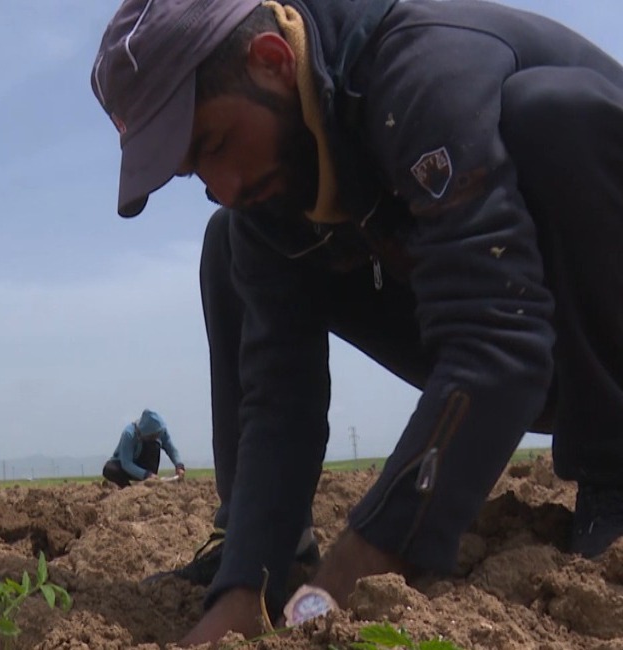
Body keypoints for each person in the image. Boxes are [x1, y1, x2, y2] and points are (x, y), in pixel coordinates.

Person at [90, 0, 623, 644]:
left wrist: (351, 573)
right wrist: (243, 593)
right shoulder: (268, 180)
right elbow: (279, 398)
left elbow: (497, 336)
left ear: (273, 62)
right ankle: (265, 553)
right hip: (524, 340)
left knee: (552, 115)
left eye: (217, 144)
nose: (222, 182)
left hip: (567, 324)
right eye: (194, 170)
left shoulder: (420, 72)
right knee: (231, 240)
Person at [102, 409, 186, 488]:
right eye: (153, 436)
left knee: (154, 445)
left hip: (146, 463)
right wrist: (145, 474)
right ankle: (127, 489)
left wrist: (179, 465)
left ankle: (151, 483)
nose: (156, 437)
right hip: (126, 465)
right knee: (109, 469)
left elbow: (170, 448)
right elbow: (126, 463)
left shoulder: (160, 431)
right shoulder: (128, 434)